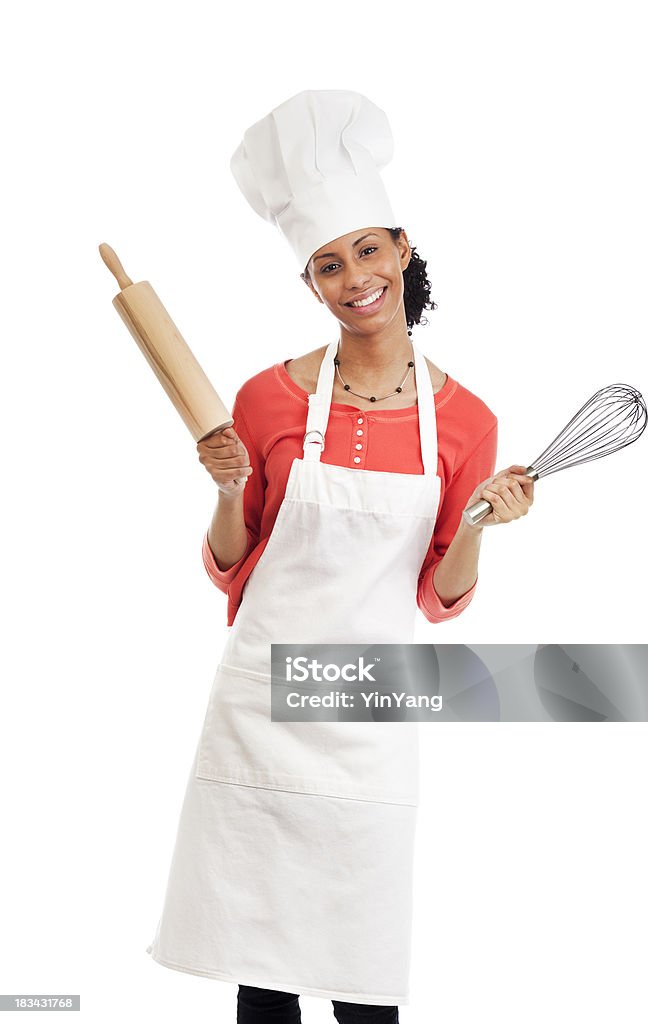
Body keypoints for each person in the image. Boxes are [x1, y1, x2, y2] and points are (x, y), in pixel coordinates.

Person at [146, 90, 533, 1024]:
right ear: (310, 284)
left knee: (364, 981)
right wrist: (225, 484)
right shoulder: (266, 399)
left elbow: (439, 598)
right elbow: (233, 570)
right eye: (327, 264)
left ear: (402, 249)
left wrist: (478, 521)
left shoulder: (467, 422)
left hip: (366, 708)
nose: (353, 277)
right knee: (262, 973)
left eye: (367, 250)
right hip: (262, 703)